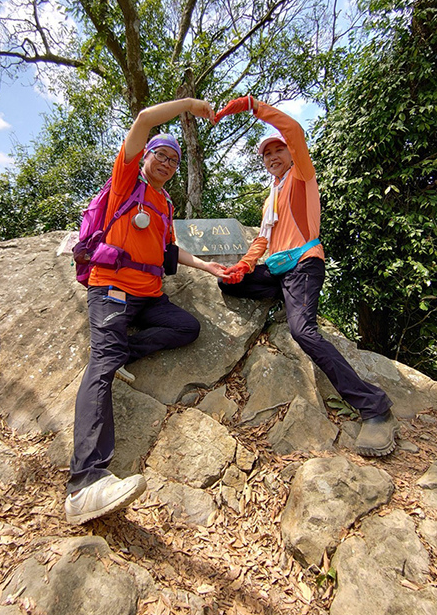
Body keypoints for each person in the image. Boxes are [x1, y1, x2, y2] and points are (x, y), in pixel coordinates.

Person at [66, 98, 227, 525]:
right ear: (147, 156)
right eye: (162, 155)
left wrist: (208, 266)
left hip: (149, 296)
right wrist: (190, 104)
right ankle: (84, 483)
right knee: (100, 364)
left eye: (175, 160)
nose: (168, 164)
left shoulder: (165, 204)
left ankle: (125, 352)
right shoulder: (125, 182)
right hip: (112, 288)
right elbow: (142, 120)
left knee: (187, 327)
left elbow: (169, 250)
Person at [215, 96, 398, 457]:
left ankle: (374, 406)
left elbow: (294, 130)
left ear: (290, 152)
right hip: (279, 269)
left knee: (303, 331)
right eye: (266, 155)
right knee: (227, 281)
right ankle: (285, 299)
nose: (272, 158)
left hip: (304, 266)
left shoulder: (301, 177)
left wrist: (253, 106)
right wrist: (243, 266)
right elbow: (263, 240)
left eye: (277, 150)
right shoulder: (271, 198)